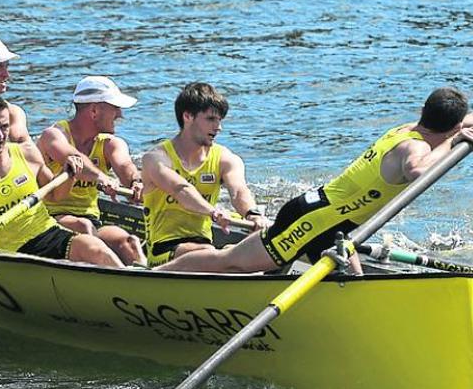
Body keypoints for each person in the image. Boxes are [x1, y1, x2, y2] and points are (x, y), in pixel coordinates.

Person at [159, 87, 473, 275]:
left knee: (352, 282)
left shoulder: (408, 128)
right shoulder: (414, 147)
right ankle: (156, 276)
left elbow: (460, 123)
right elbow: (420, 171)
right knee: (231, 262)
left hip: (332, 222)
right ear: (452, 128)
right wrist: (456, 139)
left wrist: (455, 131)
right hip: (314, 222)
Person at [0, 94, 123, 266]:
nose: (0, 136)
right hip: (2, 250)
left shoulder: (27, 153)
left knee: (95, 248)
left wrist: (69, 173)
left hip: (44, 232)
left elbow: (56, 196)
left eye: (4, 127)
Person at [139, 82, 270, 266]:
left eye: (220, 120)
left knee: (243, 253)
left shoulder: (225, 158)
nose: (218, 127)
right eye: (210, 119)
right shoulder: (155, 159)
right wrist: (213, 212)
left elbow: (239, 191)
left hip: (204, 245)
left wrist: (253, 215)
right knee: (218, 255)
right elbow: (181, 190)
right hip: (163, 251)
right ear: (187, 116)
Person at [37, 76, 145, 265]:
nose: (120, 115)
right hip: (48, 221)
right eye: (115, 108)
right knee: (83, 226)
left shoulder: (110, 144)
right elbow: (75, 160)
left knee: (130, 242)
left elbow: (126, 166)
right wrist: (102, 178)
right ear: (94, 110)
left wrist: (136, 183)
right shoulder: (53, 136)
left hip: (91, 221)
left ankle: (144, 285)